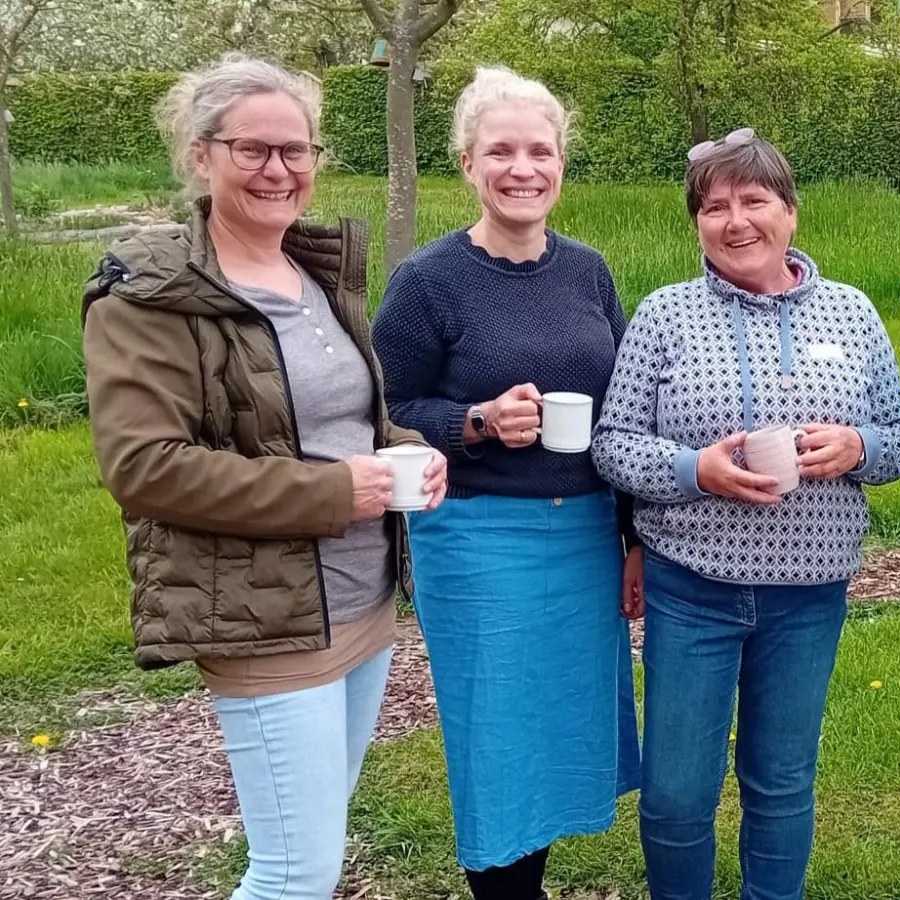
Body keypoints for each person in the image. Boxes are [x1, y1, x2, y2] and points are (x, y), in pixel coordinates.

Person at [81, 54, 447, 900]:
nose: (279, 170)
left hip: (359, 605)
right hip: (261, 615)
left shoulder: (312, 274)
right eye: (253, 149)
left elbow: (331, 418)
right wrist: (333, 493)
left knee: (312, 840)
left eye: (297, 150)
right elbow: (143, 467)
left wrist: (404, 446)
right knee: (295, 873)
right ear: (200, 155)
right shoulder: (151, 295)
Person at [591, 129, 900, 900]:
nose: (736, 221)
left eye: (754, 201)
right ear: (697, 223)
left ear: (791, 213)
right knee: (675, 793)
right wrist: (691, 469)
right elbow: (612, 445)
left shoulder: (852, 311)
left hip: (809, 593)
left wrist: (859, 447)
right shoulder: (667, 314)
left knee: (781, 780)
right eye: (715, 207)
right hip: (692, 588)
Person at [370, 67, 641, 900]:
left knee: (562, 723)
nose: (522, 168)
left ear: (561, 162)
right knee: (498, 736)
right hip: (481, 534)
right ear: (466, 164)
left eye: (539, 150)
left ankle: (534, 880)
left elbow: (626, 411)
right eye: (500, 151)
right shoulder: (428, 280)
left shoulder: (588, 271)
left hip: (586, 533)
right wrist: (475, 422)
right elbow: (382, 405)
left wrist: (633, 538)